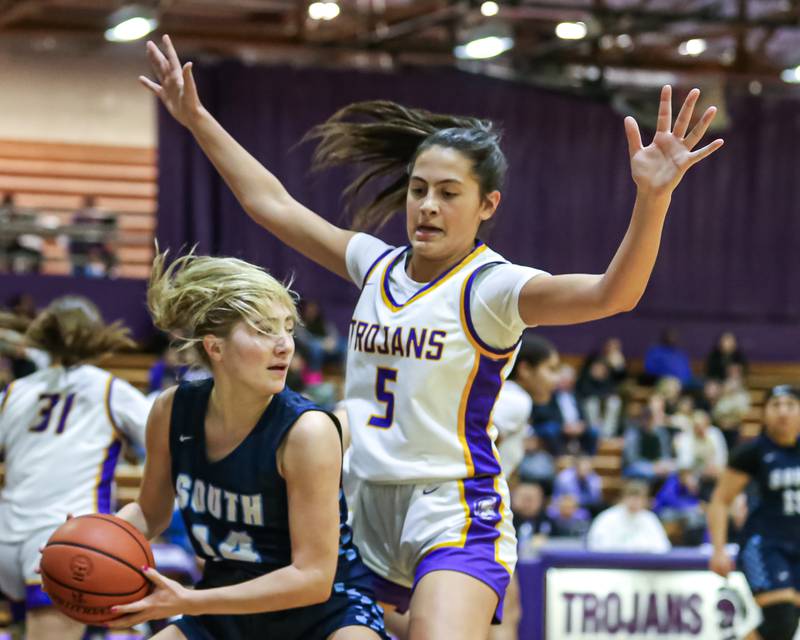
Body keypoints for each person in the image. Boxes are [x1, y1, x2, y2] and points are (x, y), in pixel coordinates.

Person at [141, 33, 723, 639]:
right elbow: (274, 205)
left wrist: (653, 199)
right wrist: (197, 118)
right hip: (358, 503)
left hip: (450, 509)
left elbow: (613, 294)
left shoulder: (493, 288)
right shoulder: (375, 264)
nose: (427, 206)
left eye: (448, 195)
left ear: (487, 205)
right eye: (419, 189)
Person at [109, 251, 388, 640]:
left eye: (288, 328)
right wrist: (95, 536)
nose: (285, 346)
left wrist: (188, 601)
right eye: (263, 330)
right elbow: (150, 512)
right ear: (214, 347)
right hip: (226, 601)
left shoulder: (306, 432)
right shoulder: (172, 411)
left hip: (323, 611)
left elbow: (313, 578)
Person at [0, 296, 150, 640]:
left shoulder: (16, 390)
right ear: (96, 336)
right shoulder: (109, 388)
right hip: (64, 537)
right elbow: (165, 438)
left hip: (7, 533)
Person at [709, 385, 800, 640]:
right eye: (775, 405)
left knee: (785, 626)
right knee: (780, 619)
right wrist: (718, 549)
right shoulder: (753, 452)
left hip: (797, 544)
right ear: (764, 413)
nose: (783, 411)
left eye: (790, 404)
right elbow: (720, 500)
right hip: (764, 545)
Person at [586, 480, 671, 552]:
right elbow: (595, 545)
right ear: (623, 498)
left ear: (645, 500)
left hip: (644, 567)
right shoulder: (607, 518)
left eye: (639, 498)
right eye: (632, 497)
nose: (635, 502)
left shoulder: (650, 519)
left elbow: (663, 547)